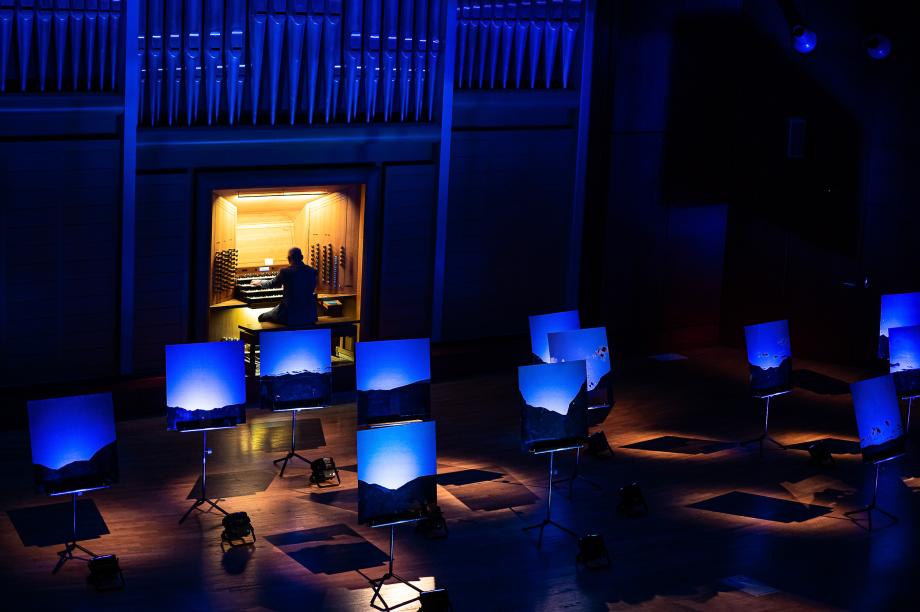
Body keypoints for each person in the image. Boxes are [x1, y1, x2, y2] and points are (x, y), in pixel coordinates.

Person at [250, 247, 318, 325]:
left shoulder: (285, 272)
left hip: (290, 316)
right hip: (309, 315)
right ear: (302, 257)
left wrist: (260, 282)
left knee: (261, 317)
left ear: (289, 259)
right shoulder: (313, 271)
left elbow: (271, 284)